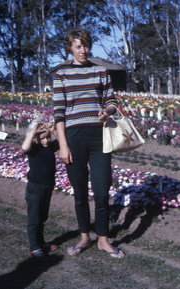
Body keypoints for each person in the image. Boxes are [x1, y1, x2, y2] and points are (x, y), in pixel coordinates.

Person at [53, 27, 125, 258]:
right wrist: (63, 145)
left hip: (99, 137)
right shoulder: (61, 74)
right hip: (73, 139)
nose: (83, 50)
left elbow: (112, 100)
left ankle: (103, 239)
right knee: (80, 192)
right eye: (78, 46)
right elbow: (58, 113)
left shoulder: (101, 71)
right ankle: (85, 237)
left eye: (85, 45)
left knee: (102, 191)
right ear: (70, 48)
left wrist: (107, 110)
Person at [21, 119, 59, 258]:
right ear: (36, 138)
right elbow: (24, 147)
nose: (47, 141)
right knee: (34, 218)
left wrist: (53, 130)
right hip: (35, 188)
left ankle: (41, 242)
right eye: (43, 138)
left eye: (48, 137)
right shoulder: (33, 148)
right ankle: (34, 247)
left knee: (42, 217)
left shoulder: (49, 147)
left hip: (47, 187)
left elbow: (61, 141)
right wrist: (33, 132)